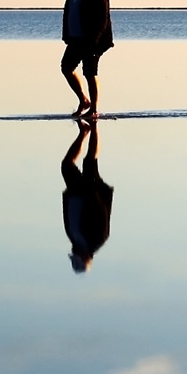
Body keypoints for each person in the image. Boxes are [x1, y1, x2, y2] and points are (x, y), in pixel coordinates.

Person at [60, 0, 113, 119]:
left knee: (90, 73)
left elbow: (101, 21)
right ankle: (83, 100)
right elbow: (68, 13)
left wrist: (94, 41)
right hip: (75, 39)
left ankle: (94, 109)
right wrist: (66, 35)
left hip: (93, 42)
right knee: (66, 68)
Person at [61, 117, 113, 273]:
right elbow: (101, 213)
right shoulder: (98, 239)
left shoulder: (76, 241)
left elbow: (70, 219)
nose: (74, 253)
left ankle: (85, 132)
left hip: (78, 193)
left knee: (67, 165)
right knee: (90, 161)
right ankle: (93, 129)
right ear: (84, 257)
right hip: (89, 193)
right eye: (76, 256)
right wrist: (93, 191)